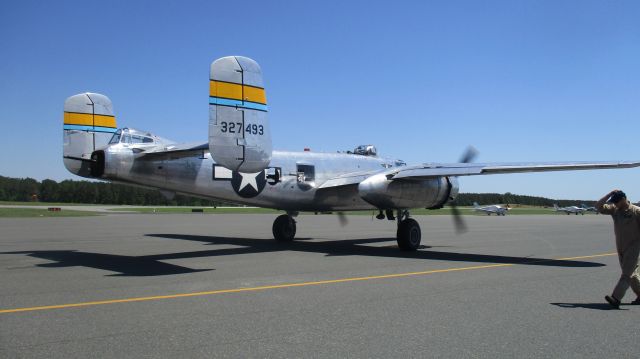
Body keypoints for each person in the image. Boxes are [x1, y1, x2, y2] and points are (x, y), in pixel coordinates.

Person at [595, 189, 640, 308]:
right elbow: (598, 206)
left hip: (634, 247)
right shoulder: (615, 210)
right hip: (621, 247)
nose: (614, 204)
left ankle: (616, 298)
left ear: (624, 199)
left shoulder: (636, 211)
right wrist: (609, 194)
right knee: (632, 274)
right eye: (613, 201)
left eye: (616, 201)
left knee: (626, 274)